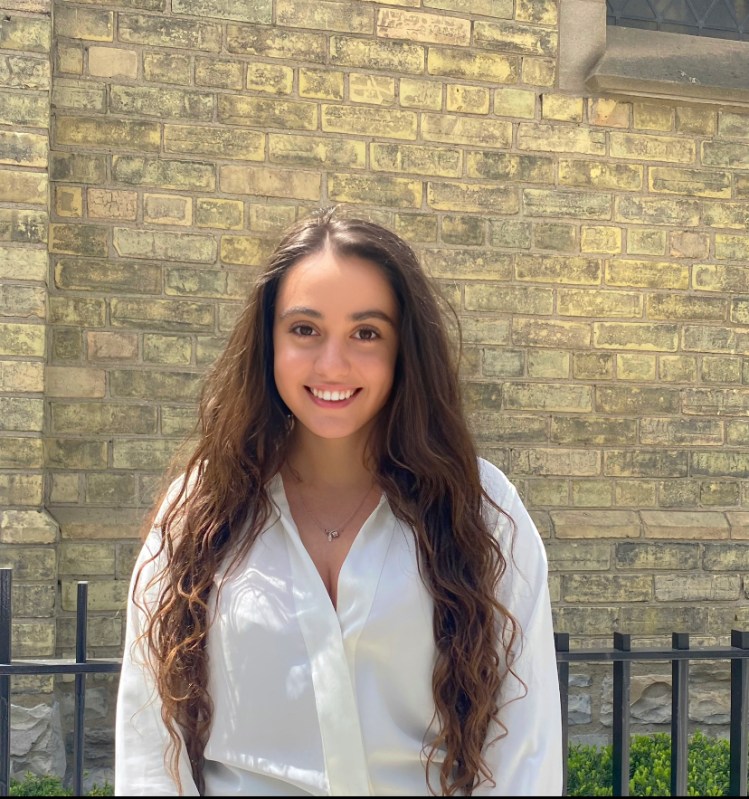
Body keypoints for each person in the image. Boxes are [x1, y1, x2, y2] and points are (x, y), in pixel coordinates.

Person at [114, 207, 563, 796]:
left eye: (366, 333)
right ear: (268, 342)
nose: (332, 364)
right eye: (305, 329)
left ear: (404, 349)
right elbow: (152, 747)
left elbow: (524, 751)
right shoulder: (198, 513)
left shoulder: (482, 512)